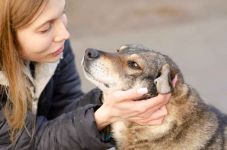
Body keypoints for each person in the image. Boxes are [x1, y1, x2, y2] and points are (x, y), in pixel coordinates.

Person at [0, 0, 177, 149]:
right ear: (5, 35)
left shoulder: (54, 47)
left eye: (63, 13)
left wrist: (110, 102)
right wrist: (102, 117)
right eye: (45, 28)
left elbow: (62, 112)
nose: (64, 34)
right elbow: (25, 145)